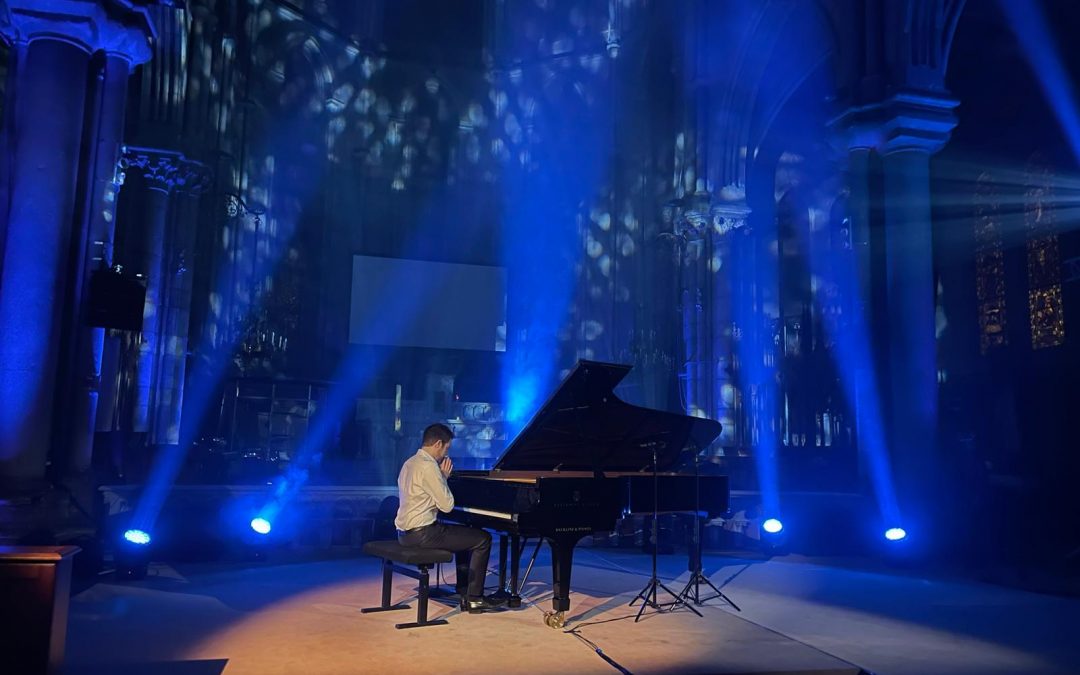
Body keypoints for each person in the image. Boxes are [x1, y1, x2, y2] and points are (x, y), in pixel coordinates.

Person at [395, 423, 501, 613]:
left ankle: (463, 589)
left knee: (465, 536)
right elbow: (447, 505)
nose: (445, 454)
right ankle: (475, 598)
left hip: (403, 534)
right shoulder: (429, 467)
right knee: (483, 539)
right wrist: (443, 477)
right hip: (423, 534)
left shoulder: (409, 463)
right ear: (437, 444)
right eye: (446, 448)